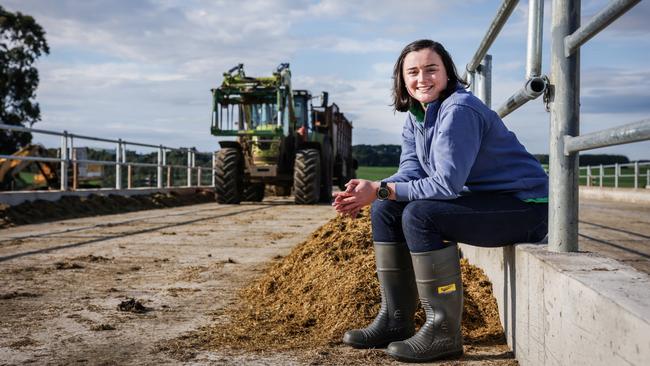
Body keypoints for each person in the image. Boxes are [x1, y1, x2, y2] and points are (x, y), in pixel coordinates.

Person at [332, 39, 548, 363]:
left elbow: (446, 185)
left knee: (421, 215)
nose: (423, 79)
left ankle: (444, 333)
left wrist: (378, 187)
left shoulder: (458, 109)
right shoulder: (417, 115)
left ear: (447, 72)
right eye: (413, 72)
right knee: (386, 208)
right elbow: (410, 171)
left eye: (431, 69)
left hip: (526, 207)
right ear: (402, 80)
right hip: (491, 200)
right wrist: (372, 191)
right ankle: (395, 319)